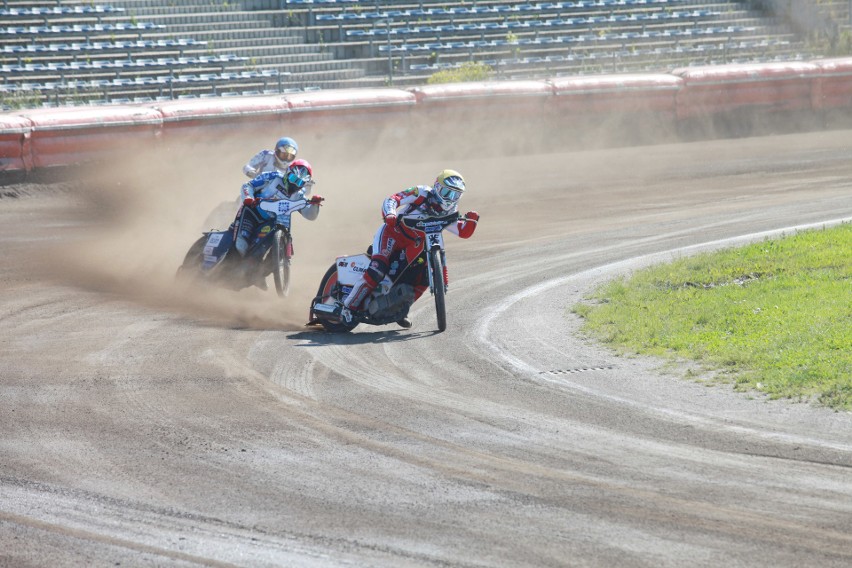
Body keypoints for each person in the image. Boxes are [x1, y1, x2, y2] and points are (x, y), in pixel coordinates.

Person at [340, 169, 479, 328]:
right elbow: (393, 199)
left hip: (416, 244)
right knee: (378, 269)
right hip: (392, 234)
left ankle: (400, 309)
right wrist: (390, 214)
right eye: (447, 192)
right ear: (437, 187)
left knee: (425, 276)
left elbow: (462, 232)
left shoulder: (450, 210)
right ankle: (347, 308)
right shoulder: (421, 192)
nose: (450, 199)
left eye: (455, 195)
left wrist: (472, 220)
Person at [232, 159, 324, 289]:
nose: (293, 183)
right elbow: (248, 185)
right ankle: (229, 263)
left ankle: (258, 274)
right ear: (287, 173)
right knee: (241, 246)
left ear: (304, 183)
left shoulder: (299, 195)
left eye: (299, 182)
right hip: (252, 214)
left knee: (276, 253)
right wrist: (248, 198)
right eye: (292, 178)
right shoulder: (273, 177)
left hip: (273, 224)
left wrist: (315, 204)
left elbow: (310, 215)